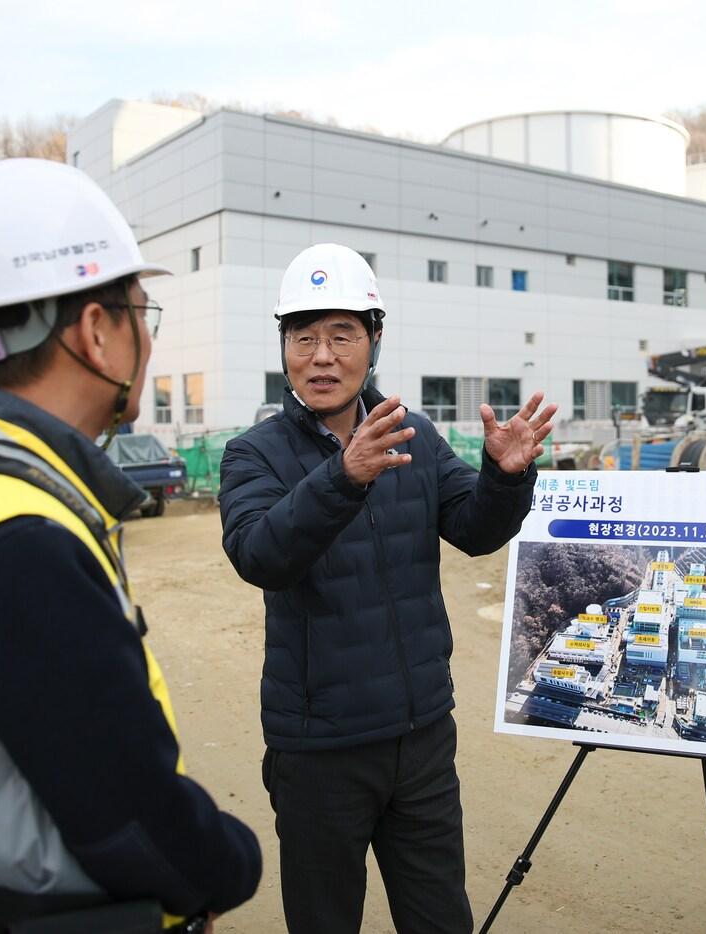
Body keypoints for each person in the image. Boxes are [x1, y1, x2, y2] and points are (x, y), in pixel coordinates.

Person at [0, 158, 260, 932]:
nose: (145, 336)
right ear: (95, 331)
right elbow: (134, 820)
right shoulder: (19, 544)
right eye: (139, 312)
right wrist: (234, 860)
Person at [218, 243, 556, 934]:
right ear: (283, 348)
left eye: (341, 335)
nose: (320, 355)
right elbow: (260, 554)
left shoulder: (415, 436)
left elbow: (474, 528)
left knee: (440, 920)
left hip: (421, 737)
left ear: (373, 340)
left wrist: (506, 477)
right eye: (303, 337)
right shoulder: (254, 454)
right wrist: (343, 476)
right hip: (318, 752)